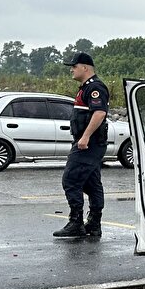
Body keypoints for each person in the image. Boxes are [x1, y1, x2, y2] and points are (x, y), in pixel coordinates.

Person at [54, 52, 109, 238]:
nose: (71, 69)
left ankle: (76, 222)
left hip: (89, 144)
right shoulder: (85, 88)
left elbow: (99, 113)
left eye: (74, 66)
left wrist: (84, 138)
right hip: (88, 142)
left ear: (85, 68)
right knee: (92, 184)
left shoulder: (95, 88)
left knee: (70, 179)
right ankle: (94, 224)